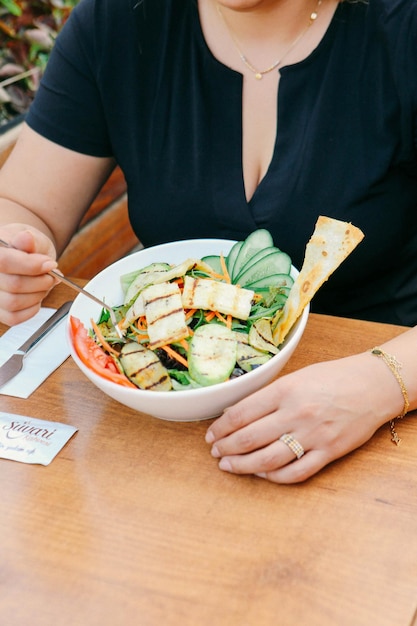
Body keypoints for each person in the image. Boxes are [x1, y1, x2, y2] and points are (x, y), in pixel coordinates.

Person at [0, 0, 416, 483]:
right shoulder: (117, 22)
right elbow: (25, 206)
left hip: (382, 432)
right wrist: (13, 249)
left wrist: (380, 383)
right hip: (155, 444)